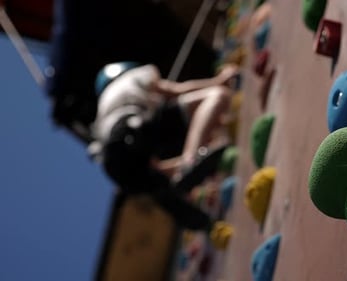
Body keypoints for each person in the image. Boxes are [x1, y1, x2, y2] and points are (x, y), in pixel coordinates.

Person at [88, 61, 238, 249]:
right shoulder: (136, 75)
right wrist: (220, 80)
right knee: (218, 96)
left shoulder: (102, 112)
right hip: (131, 128)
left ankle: (194, 216)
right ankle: (190, 160)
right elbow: (178, 90)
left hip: (114, 166)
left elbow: (153, 164)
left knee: (160, 183)